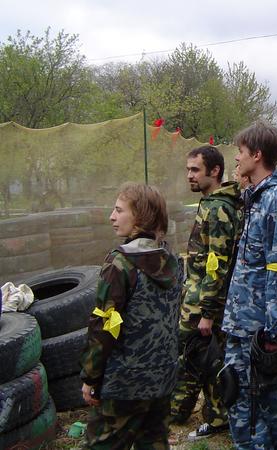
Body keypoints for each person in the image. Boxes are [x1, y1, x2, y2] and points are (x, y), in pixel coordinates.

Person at [80, 182, 184, 449]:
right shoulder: (171, 259)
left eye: (119, 210)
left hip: (125, 384)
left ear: (140, 216)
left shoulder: (120, 263)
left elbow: (105, 325)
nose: (111, 217)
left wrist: (91, 377)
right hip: (162, 378)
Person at [222, 121, 277, 450]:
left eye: (240, 152)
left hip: (259, 328)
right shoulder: (259, 196)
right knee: (259, 402)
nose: (236, 158)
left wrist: (274, 332)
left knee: (253, 404)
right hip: (247, 321)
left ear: (257, 155)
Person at [170, 146, 244, 440]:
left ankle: (213, 417)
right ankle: (182, 411)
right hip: (198, 296)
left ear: (214, 171)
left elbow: (217, 265)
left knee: (201, 359)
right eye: (188, 169)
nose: (189, 175)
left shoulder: (219, 209)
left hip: (204, 301)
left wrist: (208, 313)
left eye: (195, 170)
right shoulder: (213, 203)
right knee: (198, 357)